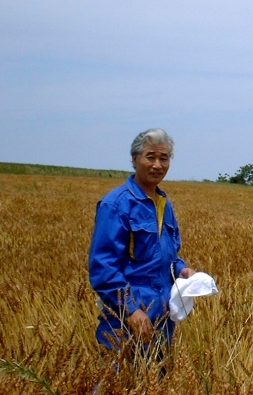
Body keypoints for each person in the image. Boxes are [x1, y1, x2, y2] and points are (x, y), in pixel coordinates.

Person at [88, 128, 195, 355]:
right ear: (135, 159)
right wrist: (131, 310)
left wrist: (181, 269)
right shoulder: (116, 205)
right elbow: (103, 267)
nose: (157, 165)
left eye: (163, 158)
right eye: (150, 157)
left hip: (162, 319)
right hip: (125, 320)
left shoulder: (164, 204)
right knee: (116, 384)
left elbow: (167, 255)